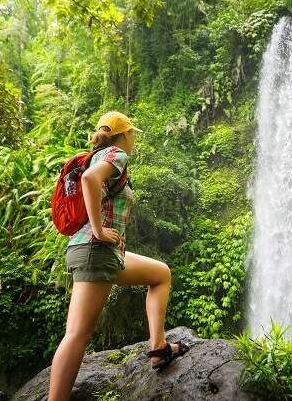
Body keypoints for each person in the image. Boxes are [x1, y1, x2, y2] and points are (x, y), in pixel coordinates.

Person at [48, 111, 189, 401]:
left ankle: (158, 349)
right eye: (132, 133)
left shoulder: (95, 155)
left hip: (101, 252)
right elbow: (88, 180)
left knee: (160, 274)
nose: (134, 138)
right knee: (76, 335)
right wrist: (99, 230)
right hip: (94, 250)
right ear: (124, 135)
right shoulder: (115, 155)